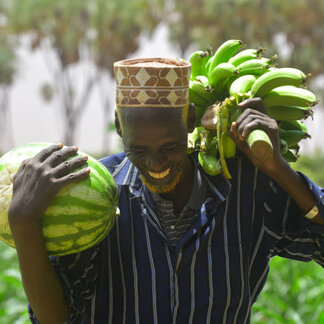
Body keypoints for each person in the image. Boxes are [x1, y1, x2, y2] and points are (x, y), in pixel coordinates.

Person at [8, 57, 324, 324]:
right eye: (139, 149)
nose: (156, 162)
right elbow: (56, 317)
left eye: (169, 147)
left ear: (188, 120)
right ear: (120, 128)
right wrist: (24, 225)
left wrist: (277, 168)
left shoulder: (246, 187)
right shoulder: (94, 192)